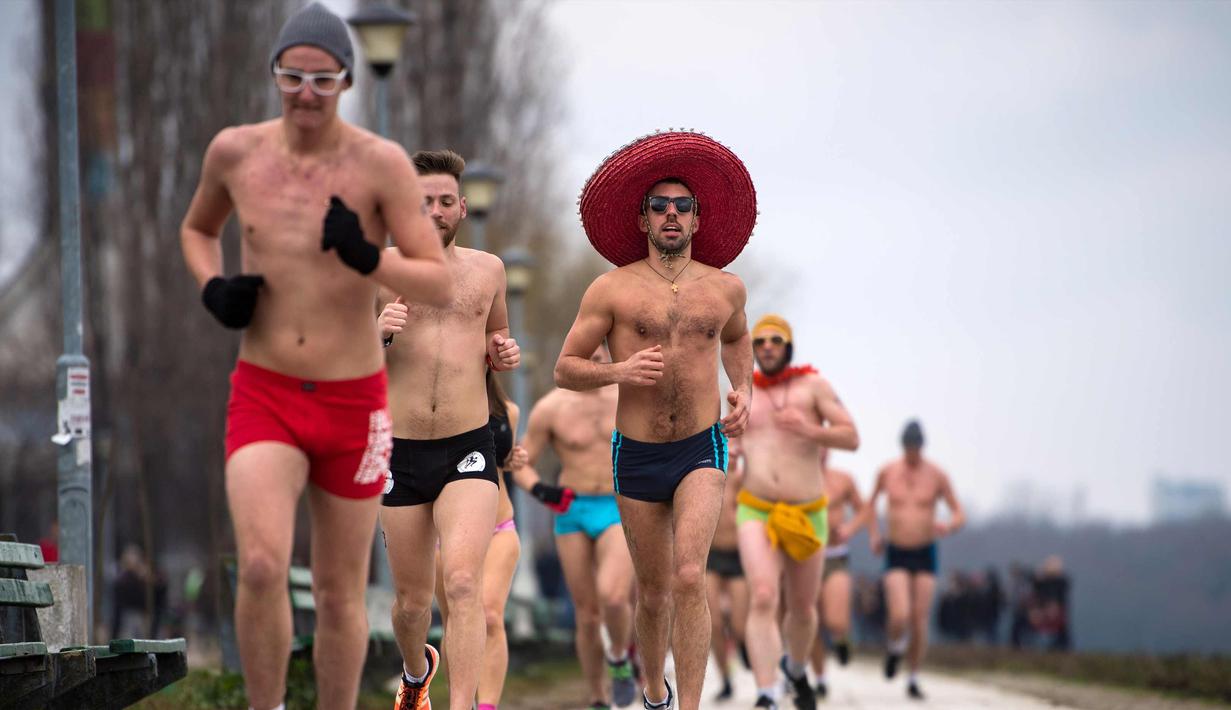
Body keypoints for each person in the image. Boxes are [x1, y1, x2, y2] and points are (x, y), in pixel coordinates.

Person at [179, 5, 451, 708]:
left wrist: (366, 255)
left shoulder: (379, 164)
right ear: (274, 74)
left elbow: (435, 278)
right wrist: (214, 288)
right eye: (292, 76)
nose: (306, 93)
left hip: (353, 402)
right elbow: (197, 229)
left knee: (337, 593)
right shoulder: (235, 153)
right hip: (265, 390)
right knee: (261, 564)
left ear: (346, 81)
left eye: (323, 80)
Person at [555, 130, 757, 710]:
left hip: (701, 446)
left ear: (697, 219)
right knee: (653, 592)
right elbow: (565, 369)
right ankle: (653, 693)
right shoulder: (611, 289)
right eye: (660, 206)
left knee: (690, 575)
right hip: (637, 452)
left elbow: (736, 340)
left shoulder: (726, 289)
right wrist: (619, 371)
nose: (672, 214)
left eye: (683, 206)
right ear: (643, 219)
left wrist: (743, 389)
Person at [377, 148, 520, 710]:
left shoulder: (489, 270)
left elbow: (496, 338)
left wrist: (502, 353)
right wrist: (376, 332)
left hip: (467, 447)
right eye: (422, 203)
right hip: (400, 452)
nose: (434, 212)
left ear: (461, 207)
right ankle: (417, 674)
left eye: (444, 201)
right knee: (412, 604)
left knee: (463, 584)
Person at [734, 315, 859, 710]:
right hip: (757, 509)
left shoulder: (813, 386)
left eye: (775, 341)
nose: (767, 347)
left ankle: (797, 668)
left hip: (806, 511)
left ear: (788, 347)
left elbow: (852, 437)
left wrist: (811, 430)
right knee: (764, 596)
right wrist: (730, 450)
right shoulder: (742, 391)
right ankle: (766, 692)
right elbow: (729, 440)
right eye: (760, 342)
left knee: (803, 608)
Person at [512, 344, 638, 709]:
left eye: (601, 351)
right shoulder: (552, 407)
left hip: (618, 506)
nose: (594, 358)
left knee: (613, 596)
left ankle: (619, 657)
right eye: (586, 353)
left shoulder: (630, 398)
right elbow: (520, 463)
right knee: (586, 614)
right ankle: (597, 696)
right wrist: (543, 491)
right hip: (572, 510)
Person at [856, 420, 965, 700]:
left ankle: (914, 676)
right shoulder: (888, 472)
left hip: (925, 550)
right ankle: (895, 648)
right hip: (897, 550)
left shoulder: (937, 475)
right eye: (908, 447)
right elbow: (869, 506)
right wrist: (874, 534)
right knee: (900, 614)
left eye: (915, 447)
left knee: (919, 618)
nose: (912, 452)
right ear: (902, 446)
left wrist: (949, 526)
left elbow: (958, 512)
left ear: (922, 447)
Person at [434, 370, 523, 710]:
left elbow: (502, 463)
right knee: (455, 620)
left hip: (499, 526)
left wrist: (514, 460)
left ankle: (487, 705)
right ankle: (463, 701)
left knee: (490, 615)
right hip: (448, 534)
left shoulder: (508, 411)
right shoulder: (436, 409)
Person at [810, 449, 878, 698]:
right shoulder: (796, 476)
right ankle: (820, 678)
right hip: (806, 556)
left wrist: (851, 528)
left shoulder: (843, 479)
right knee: (812, 621)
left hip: (835, 556)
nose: (820, 452)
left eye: (824, 446)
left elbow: (865, 510)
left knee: (835, 620)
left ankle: (841, 639)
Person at [705, 450, 748, 702]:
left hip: (738, 556)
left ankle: (744, 645)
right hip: (712, 555)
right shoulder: (708, 475)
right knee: (714, 623)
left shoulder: (744, 480)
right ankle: (726, 679)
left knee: (740, 626)